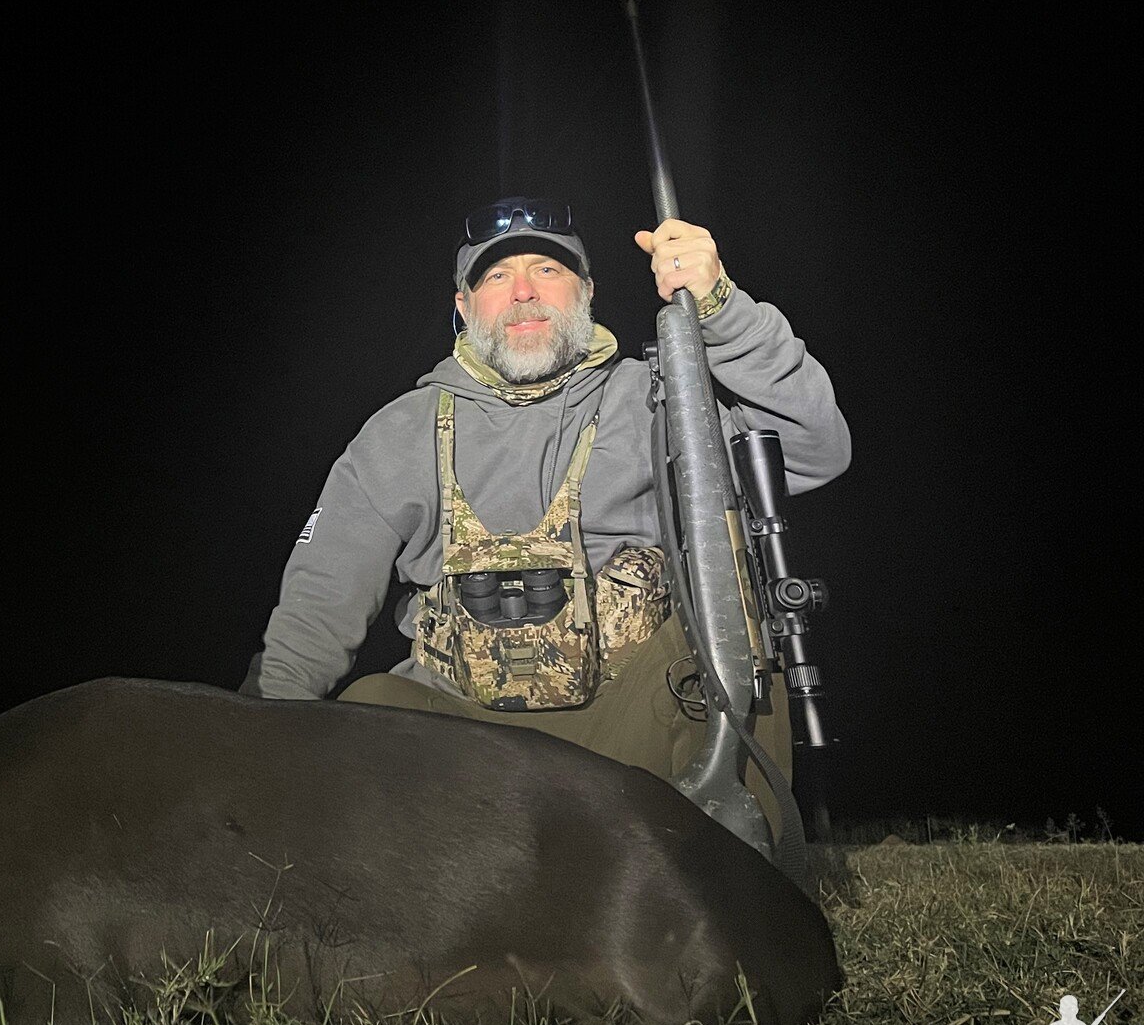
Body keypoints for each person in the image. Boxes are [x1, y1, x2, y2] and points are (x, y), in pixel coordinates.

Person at [240, 198, 850, 826]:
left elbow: (813, 449)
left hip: (632, 727)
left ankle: (741, 891)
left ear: (586, 291)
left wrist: (721, 309)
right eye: (497, 277)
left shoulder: (658, 398)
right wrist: (250, 750)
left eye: (548, 271)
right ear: (464, 306)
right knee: (370, 703)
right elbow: (317, 609)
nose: (524, 293)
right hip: (463, 739)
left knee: (740, 660)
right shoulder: (397, 433)